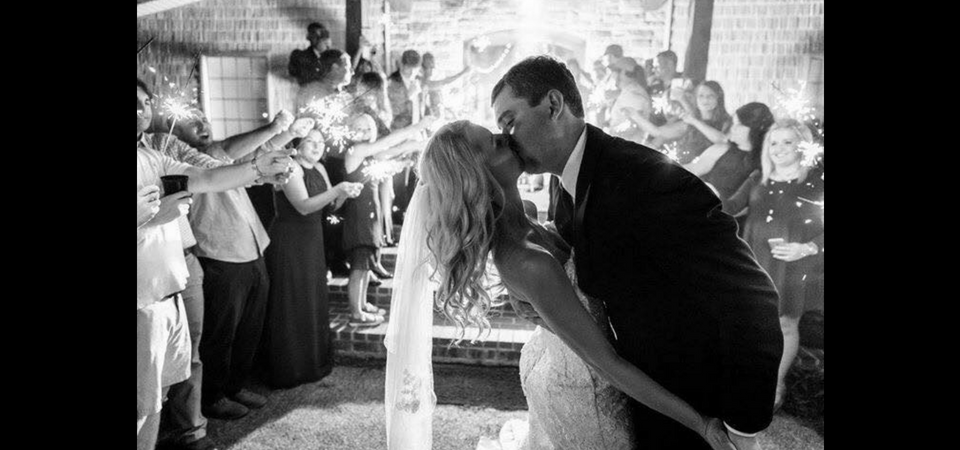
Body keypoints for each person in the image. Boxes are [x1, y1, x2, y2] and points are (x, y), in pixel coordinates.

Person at [490, 56, 782, 450]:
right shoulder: (564, 188)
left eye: (510, 121)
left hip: (700, 401)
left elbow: (752, 295)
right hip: (642, 397)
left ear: (553, 105)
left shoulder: (643, 180)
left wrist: (744, 425)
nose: (507, 138)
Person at [385, 121, 734, 450]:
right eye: (494, 141)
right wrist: (701, 424)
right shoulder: (526, 261)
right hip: (584, 388)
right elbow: (606, 364)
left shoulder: (531, 216)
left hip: (560, 362)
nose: (506, 136)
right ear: (478, 176)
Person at [138, 78, 294, 449]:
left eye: (144, 103)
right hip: (141, 298)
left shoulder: (153, 157)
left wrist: (258, 168)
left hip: (167, 290)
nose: (139, 110)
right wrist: (149, 218)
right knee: (141, 401)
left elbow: (207, 176)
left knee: (154, 398)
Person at [721, 119, 824, 412]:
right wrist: (700, 194)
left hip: (792, 265)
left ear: (801, 145)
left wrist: (808, 247)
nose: (779, 149)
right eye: (773, 142)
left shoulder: (815, 182)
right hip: (753, 261)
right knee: (748, 321)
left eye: (787, 142)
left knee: (785, 323)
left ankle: (775, 384)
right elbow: (729, 207)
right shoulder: (757, 178)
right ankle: (744, 379)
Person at [260, 129, 363, 388]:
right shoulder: (291, 167)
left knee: (310, 297)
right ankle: (289, 368)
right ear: (298, 143)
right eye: (310, 141)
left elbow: (328, 206)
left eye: (321, 142)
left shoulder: (319, 167)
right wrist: (338, 189)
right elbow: (304, 206)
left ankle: (312, 362)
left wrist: (344, 194)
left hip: (313, 240)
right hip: (290, 239)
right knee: (292, 299)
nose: (317, 147)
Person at [341, 110, 434, 326]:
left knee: (365, 266)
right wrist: (415, 128)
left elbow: (398, 148)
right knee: (358, 266)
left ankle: (362, 305)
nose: (364, 132)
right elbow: (387, 144)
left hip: (369, 218)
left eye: (368, 128)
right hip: (358, 218)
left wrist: (427, 142)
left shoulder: (370, 154)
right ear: (350, 131)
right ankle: (356, 314)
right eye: (359, 128)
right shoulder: (355, 150)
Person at [621, 80, 732, 164]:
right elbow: (657, 132)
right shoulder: (688, 123)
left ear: (718, 98)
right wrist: (635, 116)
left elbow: (722, 139)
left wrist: (695, 121)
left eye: (710, 96)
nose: (705, 100)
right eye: (701, 96)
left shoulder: (726, 121)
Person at [684, 102, 774, 202]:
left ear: (755, 128)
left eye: (739, 125)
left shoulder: (767, 159)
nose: (733, 128)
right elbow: (694, 168)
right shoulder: (722, 148)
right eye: (733, 123)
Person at [605, 57, 652, 145]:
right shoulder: (629, 91)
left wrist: (608, 134)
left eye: (615, 71)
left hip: (627, 150)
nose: (612, 75)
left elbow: (633, 127)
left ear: (625, 73)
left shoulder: (633, 96)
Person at [420, 52, 471, 117]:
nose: (433, 67)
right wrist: (463, 73)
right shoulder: (428, 86)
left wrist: (463, 73)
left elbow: (444, 82)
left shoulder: (426, 85)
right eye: (431, 64)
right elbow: (445, 82)